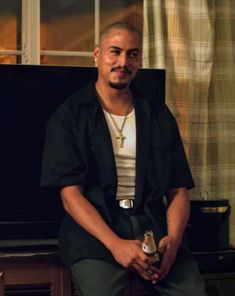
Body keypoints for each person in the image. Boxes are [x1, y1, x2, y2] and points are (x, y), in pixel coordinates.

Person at [41, 22, 208, 296]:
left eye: (132, 54)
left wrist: (174, 241)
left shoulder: (158, 115)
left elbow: (178, 189)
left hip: (151, 227)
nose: (123, 61)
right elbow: (70, 196)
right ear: (97, 55)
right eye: (114, 52)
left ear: (140, 60)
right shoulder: (69, 116)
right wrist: (116, 245)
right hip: (96, 232)